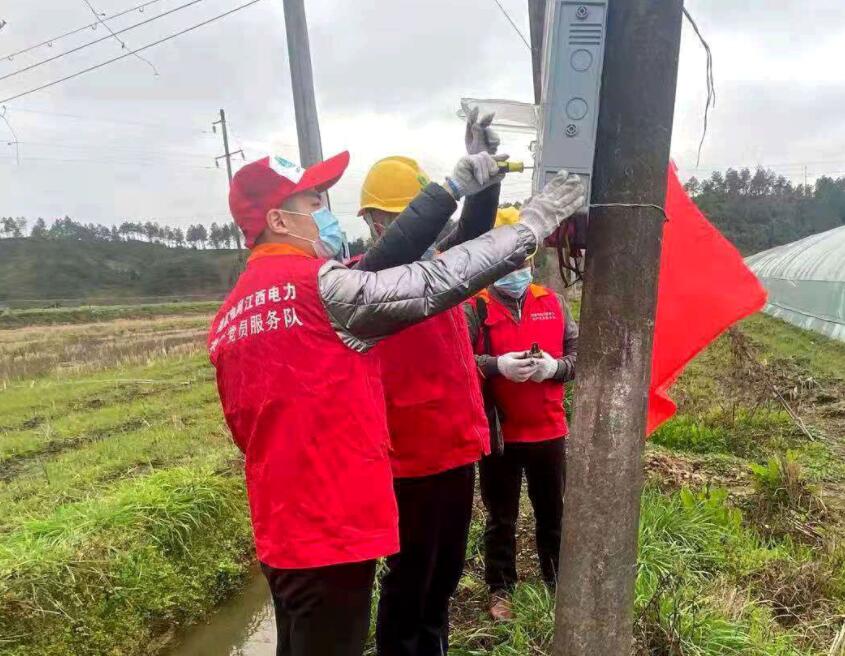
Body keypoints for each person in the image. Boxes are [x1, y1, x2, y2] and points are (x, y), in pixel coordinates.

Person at [208, 148, 586, 656]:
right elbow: (444, 276)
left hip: (295, 519)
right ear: (279, 220)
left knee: (425, 587)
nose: (324, 213)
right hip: (353, 507)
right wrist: (528, 225)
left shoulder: (237, 310)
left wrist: (470, 187)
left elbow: (459, 248)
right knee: (406, 590)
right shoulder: (337, 290)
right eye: (314, 202)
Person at [354, 110, 504, 656]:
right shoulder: (363, 279)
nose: (411, 231)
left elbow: (473, 238)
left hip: (456, 447)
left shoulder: (438, 268)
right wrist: (451, 191)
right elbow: (395, 255)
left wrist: (487, 178)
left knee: (445, 572)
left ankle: (433, 647)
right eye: (397, 218)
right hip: (409, 459)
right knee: (410, 576)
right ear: (375, 222)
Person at [464, 206, 579, 621]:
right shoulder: (476, 308)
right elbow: (460, 362)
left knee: (553, 512)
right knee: (501, 518)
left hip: (549, 430)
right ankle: (501, 589)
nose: (517, 271)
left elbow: (579, 356)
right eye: (509, 263)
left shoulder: (554, 303)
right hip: (500, 435)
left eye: (524, 262)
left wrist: (554, 368)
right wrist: (497, 365)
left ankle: (556, 581)